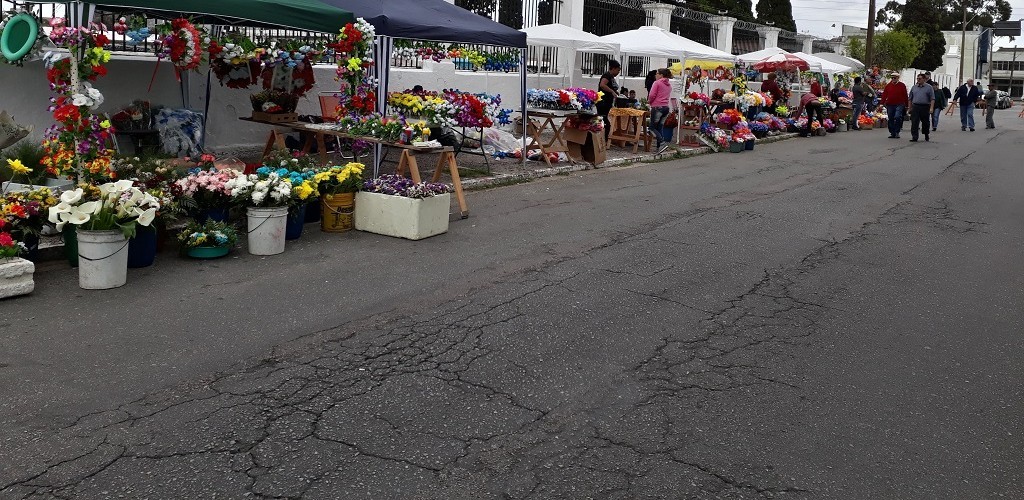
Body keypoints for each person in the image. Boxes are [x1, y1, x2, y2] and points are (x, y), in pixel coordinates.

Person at [647, 68, 673, 153]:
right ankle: (659, 148)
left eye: (657, 73)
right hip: (666, 108)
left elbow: (652, 95)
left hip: (657, 107)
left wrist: (649, 102)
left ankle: (662, 143)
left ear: (661, 75)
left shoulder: (657, 83)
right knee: (659, 128)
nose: (655, 75)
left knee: (651, 128)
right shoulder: (669, 85)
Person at [596, 60, 621, 139]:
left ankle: (603, 137)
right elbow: (602, 85)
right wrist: (612, 91)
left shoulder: (611, 77)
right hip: (603, 102)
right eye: (618, 70)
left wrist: (615, 92)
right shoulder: (606, 75)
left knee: (604, 118)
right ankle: (602, 137)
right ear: (613, 68)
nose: (618, 72)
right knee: (602, 119)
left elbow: (610, 86)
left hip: (608, 102)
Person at [907, 73, 935, 142]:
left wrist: (931, 108)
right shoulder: (914, 87)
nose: (918, 80)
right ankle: (914, 137)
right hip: (915, 106)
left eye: (920, 78)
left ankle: (926, 134)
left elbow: (932, 98)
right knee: (914, 122)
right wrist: (909, 108)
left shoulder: (929, 87)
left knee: (925, 122)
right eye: (917, 78)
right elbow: (910, 98)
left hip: (925, 107)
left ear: (924, 79)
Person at [880, 72, 908, 139]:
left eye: (894, 78)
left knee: (897, 117)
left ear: (898, 78)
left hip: (899, 104)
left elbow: (905, 95)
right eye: (892, 78)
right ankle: (892, 132)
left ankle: (897, 131)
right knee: (891, 118)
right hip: (890, 104)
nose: (893, 79)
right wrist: (881, 103)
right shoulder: (888, 86)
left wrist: (907, 105)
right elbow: (884, 95)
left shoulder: (902, 85)